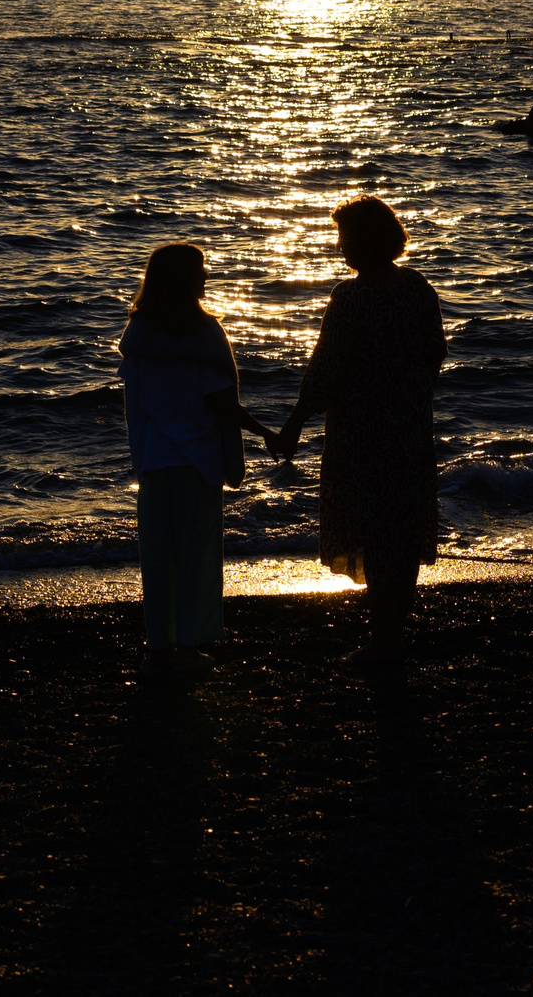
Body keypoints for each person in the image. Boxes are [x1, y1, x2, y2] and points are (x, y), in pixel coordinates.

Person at [276, 196, 447, 671]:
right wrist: (410, 397)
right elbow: (435, 352)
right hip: (409, 428)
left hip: (361, 432)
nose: (340, 247)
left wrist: (293, 424)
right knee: (401, 530)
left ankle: (383, 641)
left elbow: (324, 369)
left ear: (366, 241)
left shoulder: (350, 297)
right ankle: (391, 636)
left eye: (345, 238)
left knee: (373, 529)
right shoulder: (417, 287)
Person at [118, 243, 265, 671]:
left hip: (154, 458)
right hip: (196, 458)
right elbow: (223, 405)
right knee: (196, 555)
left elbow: (136, 404)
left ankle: (158, 648)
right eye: (200, 270)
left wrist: (140, 455)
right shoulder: (203, 334)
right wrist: (268, 435)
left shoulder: (140, 334)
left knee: (158, 556)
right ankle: (188, 646)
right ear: (183, 278)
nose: (207, 277)